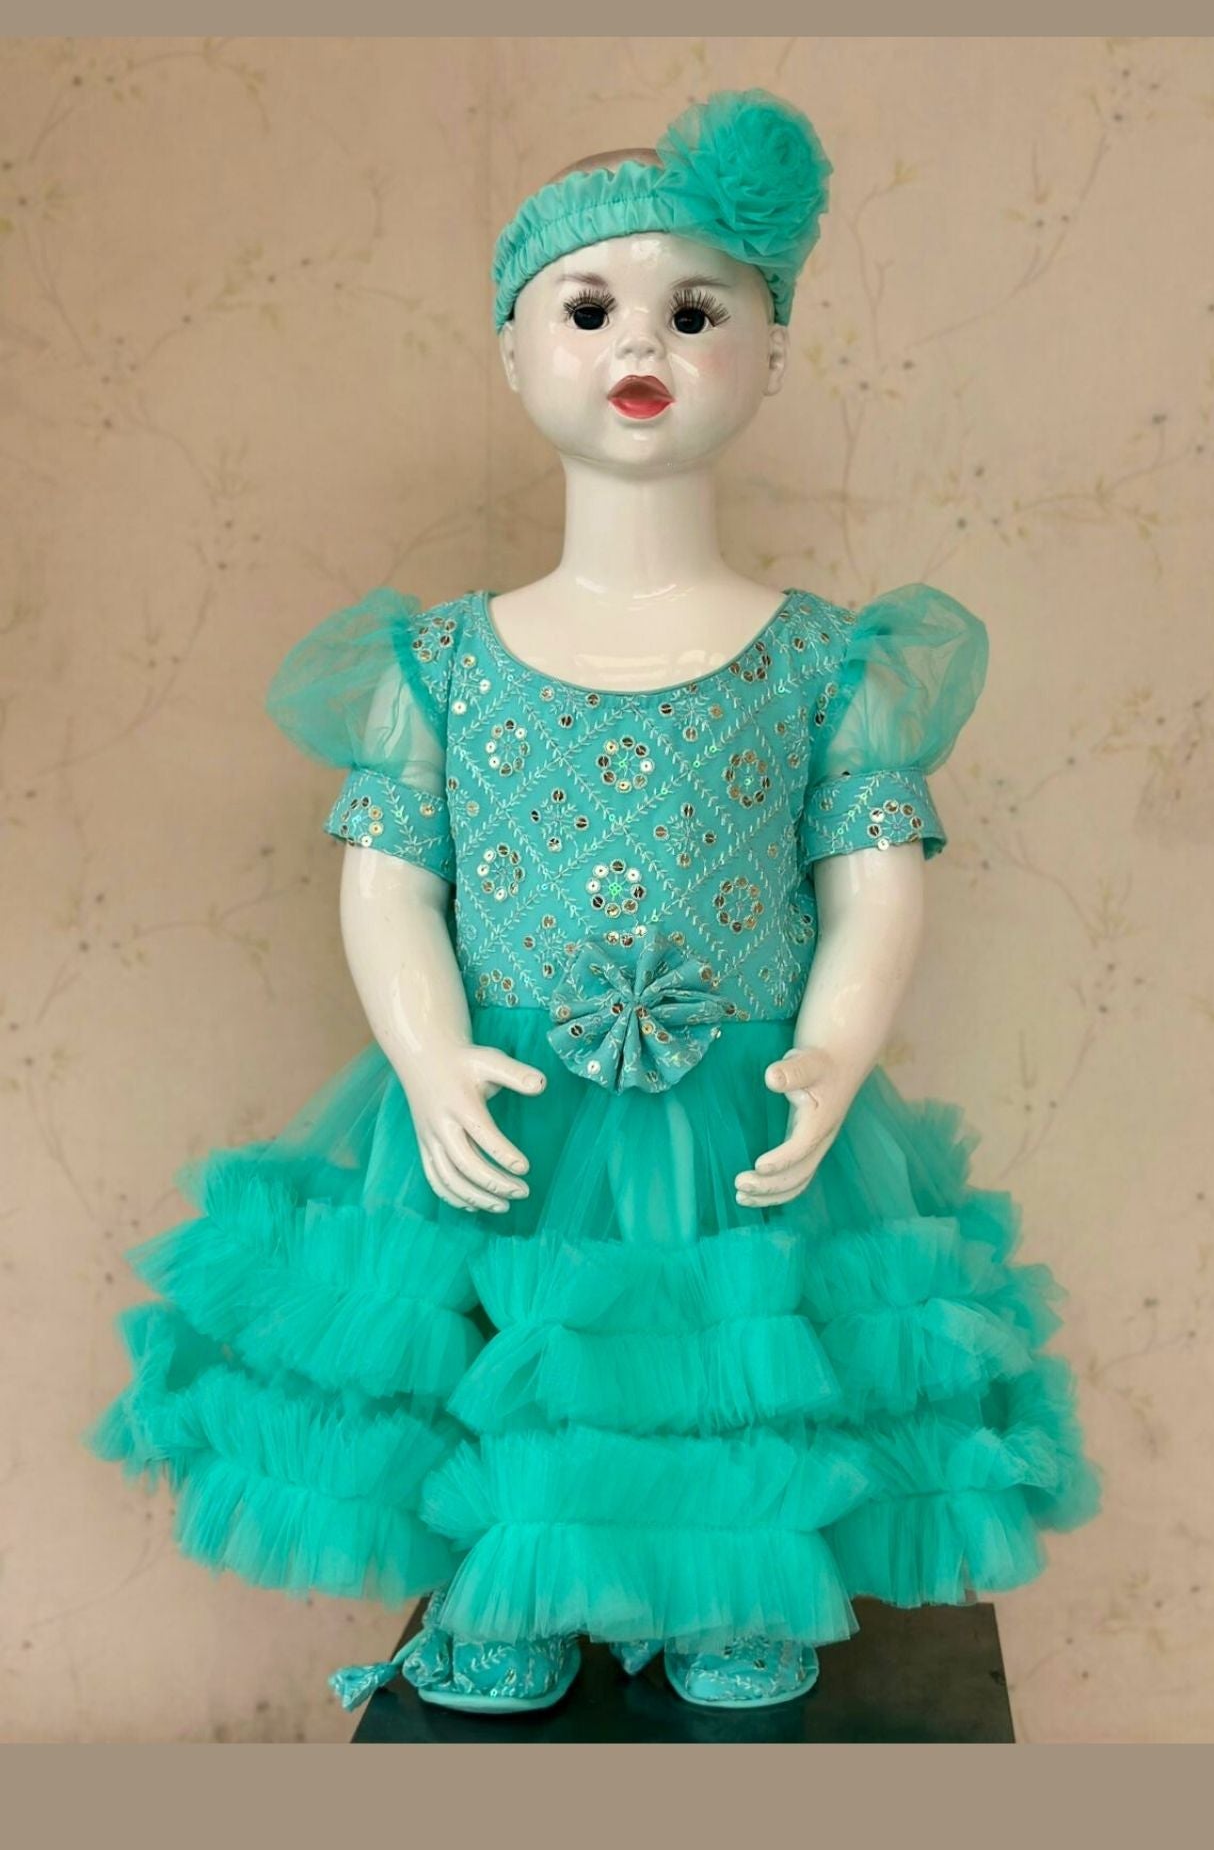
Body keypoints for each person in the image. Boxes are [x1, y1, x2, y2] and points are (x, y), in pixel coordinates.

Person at [86, 86, 1103, 1717]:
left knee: (712, 1348)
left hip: (746, 1094)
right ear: (514, 349)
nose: (643, 343)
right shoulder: (440, 663)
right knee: (523, 1343)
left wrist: (837, 1054)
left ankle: (726, 1586)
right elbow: (388, 885)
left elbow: (873, 883)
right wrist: (426, 1058)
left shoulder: (824, 662)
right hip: (504, 1091)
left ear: (770, 351)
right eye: (588, 308)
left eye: (696, 311)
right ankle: (514, 1594)